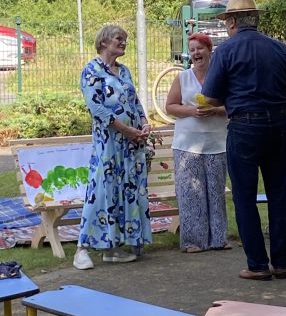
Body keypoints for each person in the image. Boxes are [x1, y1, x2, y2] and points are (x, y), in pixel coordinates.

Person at [201, 0, 286, 280]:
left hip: (244, 127)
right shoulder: (279, 48)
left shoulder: (226, 50)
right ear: (256, 19)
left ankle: (258, 265)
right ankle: (282, 263)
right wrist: (274, 99)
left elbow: (210, 97)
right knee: (278, 193)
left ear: (233, 21)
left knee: (245, 196)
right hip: (279, 125)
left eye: (226, 21)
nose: (226, 26)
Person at [73, 24, 152, 270]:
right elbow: (97, 109)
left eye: (125, 39)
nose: (124, 43)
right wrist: (127, 130)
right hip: (109, 146)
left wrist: (145, 124)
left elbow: (135, 102)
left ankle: (114, 248)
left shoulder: (124, 71)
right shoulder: (91, 71)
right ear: (104, 42)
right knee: (101, 191)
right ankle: (81, 250)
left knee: (127, 192)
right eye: (119, 39)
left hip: (130, 147)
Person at [165, 32, 230, 253]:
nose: (195, 53)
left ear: (209, 51)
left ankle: (218, 239)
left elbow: (232, 107)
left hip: (217, 143)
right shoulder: (182, 78)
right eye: (192, 50)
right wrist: (192, 110)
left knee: (215, 191)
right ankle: (193, 241)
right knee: (191, 194)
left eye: (199, 49)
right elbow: (171, 106)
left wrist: (216, 110)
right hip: (187, 145)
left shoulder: (222, 77)